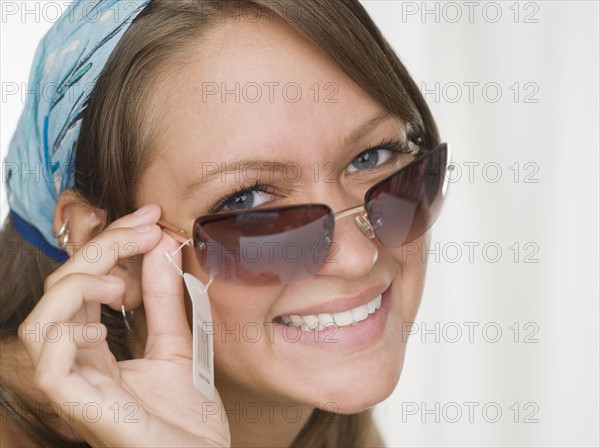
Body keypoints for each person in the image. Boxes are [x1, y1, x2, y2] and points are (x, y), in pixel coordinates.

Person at [0, 0, 450, 446]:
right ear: (111, 250)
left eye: (372, 156)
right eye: (246, 198)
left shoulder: (325, 426)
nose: (357, 256)